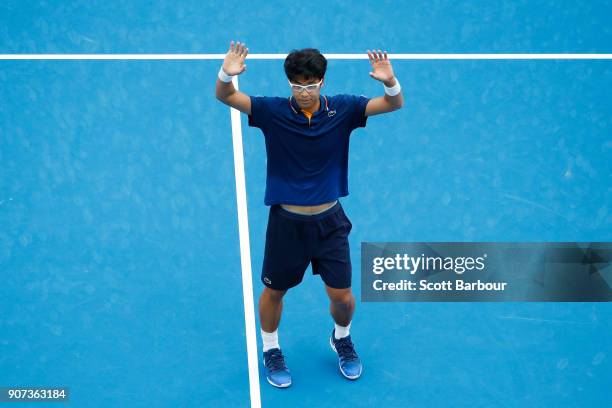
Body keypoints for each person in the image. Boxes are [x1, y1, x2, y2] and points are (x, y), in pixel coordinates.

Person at [215, 41, 404, 388]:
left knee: (343, 298)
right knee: (274, 292)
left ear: (322, 81)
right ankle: (271, 348)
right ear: (290, 84)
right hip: (287, 224)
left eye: (311, 85)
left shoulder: (344, 109)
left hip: (330, 222)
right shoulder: (272, 112)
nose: (304, 92)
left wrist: (389, 81)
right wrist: (227, 73)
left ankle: (342, 338)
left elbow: (394, 103)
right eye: (298, 86)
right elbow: (225, 96)